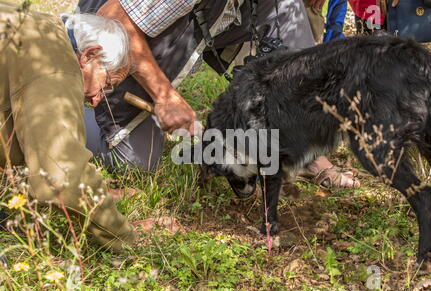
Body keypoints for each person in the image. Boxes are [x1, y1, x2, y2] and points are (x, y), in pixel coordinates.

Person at [79, 0, 360, 188]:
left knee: (286, 6)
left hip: (203, 19)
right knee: (136, 163)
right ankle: (64, 115)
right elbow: (113, 16)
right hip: (109, 46)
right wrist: (164, 96)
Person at [0, 3, 177, 253]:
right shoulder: (56, 69)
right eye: (106, 84)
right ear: (91, 54)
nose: (95, 100)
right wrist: (126, 237)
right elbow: (61, 176)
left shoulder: (41, 26)